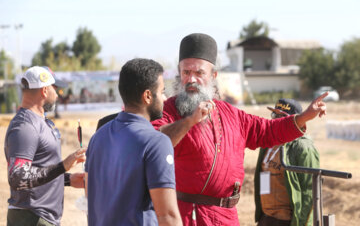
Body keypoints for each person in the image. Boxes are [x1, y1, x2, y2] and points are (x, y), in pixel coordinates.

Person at [151, 33, 328, 225]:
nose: (191, 79)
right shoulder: (167, 110)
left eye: (199, 73)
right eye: (186, 72)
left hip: (226, 217)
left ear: (213, 75)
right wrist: (190, 121)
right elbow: (156, 143)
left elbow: (268, 130)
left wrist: (304, 117)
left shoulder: (231, 114)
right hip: (188, 215)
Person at [85, 58, 182, 226]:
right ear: (148, 96)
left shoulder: (97, 137)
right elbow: (168, 216)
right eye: (162, 91)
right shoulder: (156, 142)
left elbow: (90, 197)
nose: (165, 99)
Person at [4, 66, 86, 226]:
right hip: (31, 217)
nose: (57, 95)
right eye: (55, 89)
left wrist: (68, 180)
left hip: (40, 217)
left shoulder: (39, 121)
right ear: (44, 90)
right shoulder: (25, 126)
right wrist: (63, 166)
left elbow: (39, 168)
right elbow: (18, 177)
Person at [254, 99, 319, 226]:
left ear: (295, 120)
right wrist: (264, 212)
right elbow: (265, 176)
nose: (277, 119)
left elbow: (309, 191)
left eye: (282, 116)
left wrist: (300, 223)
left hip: (288, 221)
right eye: (275, 115)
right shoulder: (268, 141)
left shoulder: (303, 146)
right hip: (267, 217)